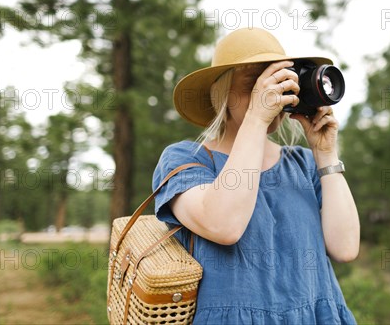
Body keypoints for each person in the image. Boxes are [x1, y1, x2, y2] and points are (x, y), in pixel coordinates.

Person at [153, 27, 360, 324]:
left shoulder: (303, 163)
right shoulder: (186, 158)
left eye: (279, 79)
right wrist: (256, 117)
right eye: (257, 82)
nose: (273, 91)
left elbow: (345, 247)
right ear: (221, 94)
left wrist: (326, 154)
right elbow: (224, 225)